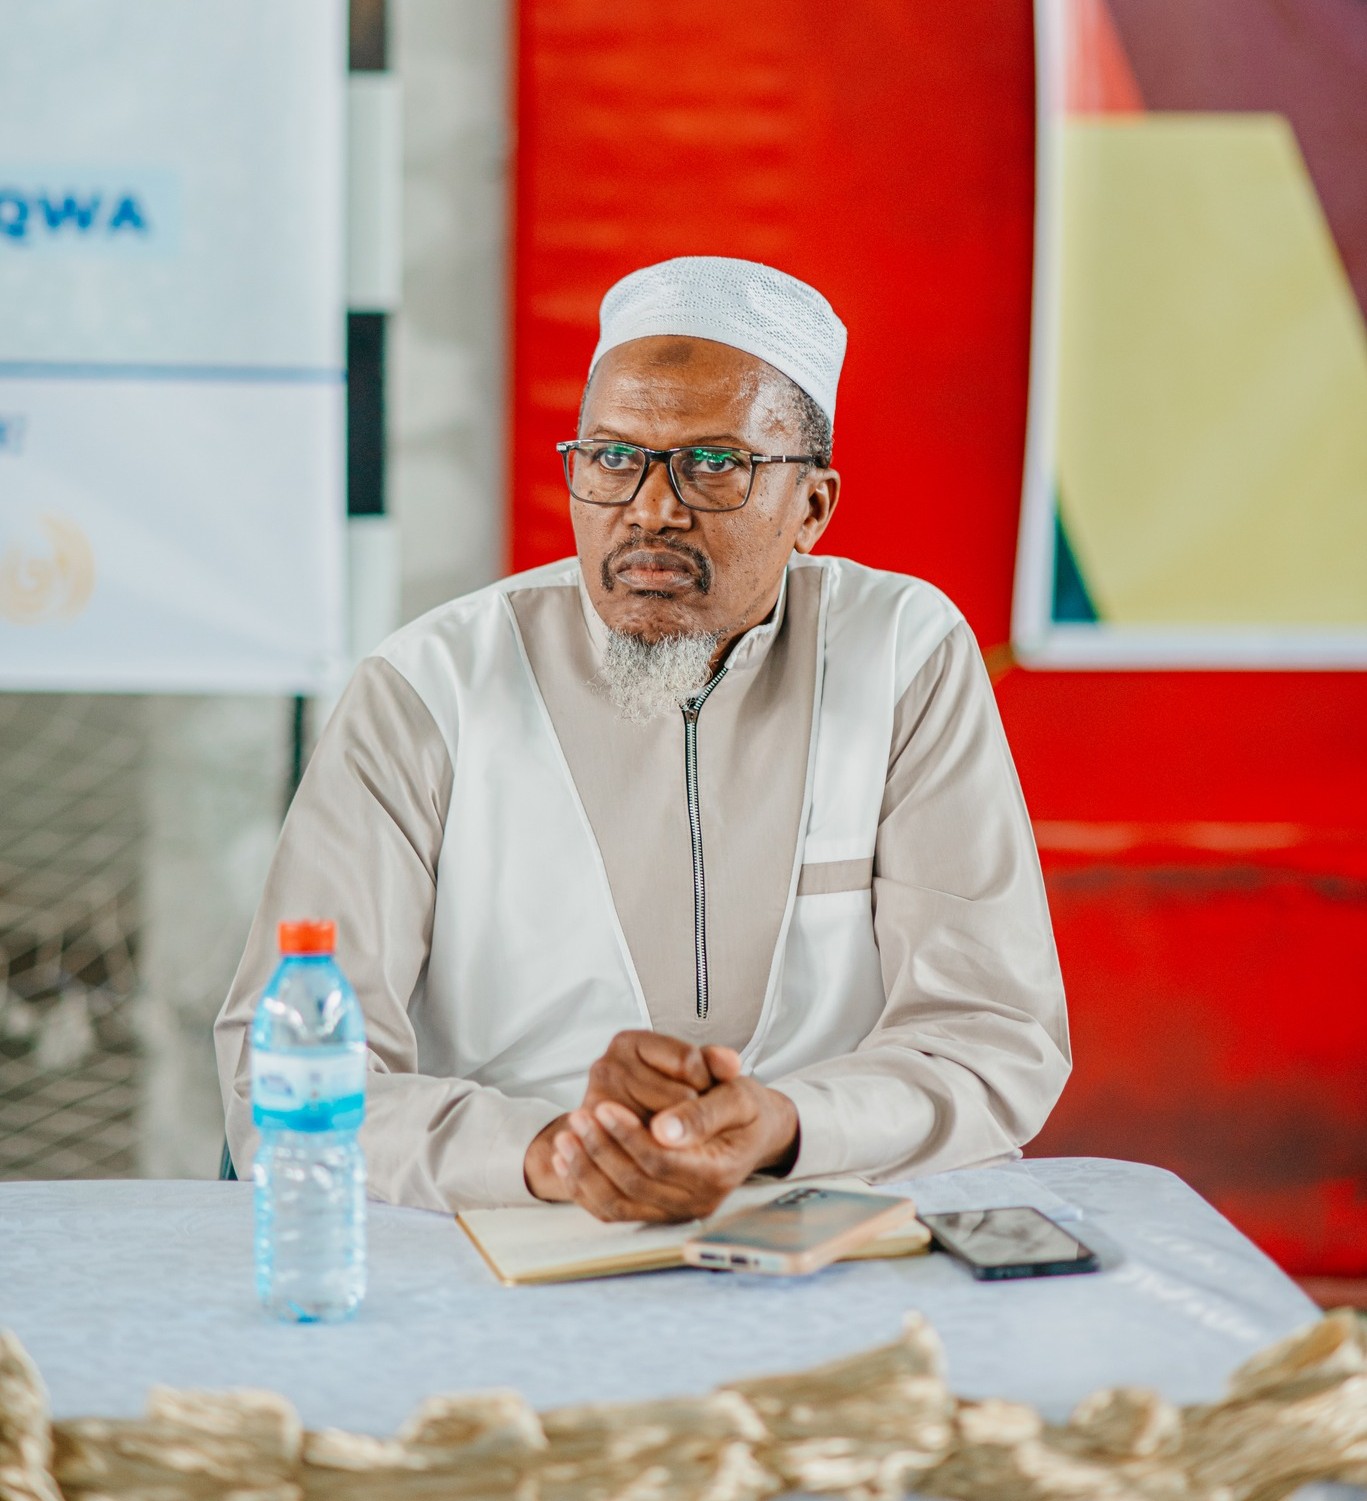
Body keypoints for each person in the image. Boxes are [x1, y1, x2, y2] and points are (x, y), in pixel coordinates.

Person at [214, 256, 1069, 1223]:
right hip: (502, 1232)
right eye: (614, 457)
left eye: (715, 465)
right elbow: (282, 1072)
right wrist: (547, 1153)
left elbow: (993, 1038)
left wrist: (786, 1125)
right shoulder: (430, 686)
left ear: (812, 508)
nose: (651, 508)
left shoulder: (902, 655)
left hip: (825, 1225)